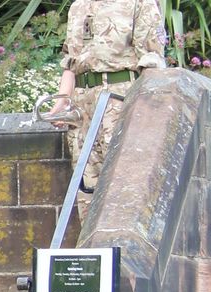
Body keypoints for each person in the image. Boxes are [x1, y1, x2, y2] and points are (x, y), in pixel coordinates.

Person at [47, 0, 165, 213]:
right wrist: (61, 101)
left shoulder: (139, 3)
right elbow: (70, 63)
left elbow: (151, 62)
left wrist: (145, 111)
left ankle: (125, 246)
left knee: (126, 184)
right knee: (87, 189)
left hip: (120, 100)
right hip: (83, 107)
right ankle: (92, 245)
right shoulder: (78, 6)